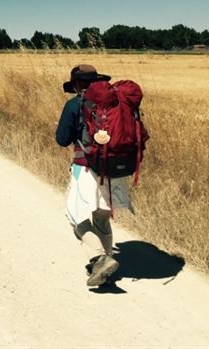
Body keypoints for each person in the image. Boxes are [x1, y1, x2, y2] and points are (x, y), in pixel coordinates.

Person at [56, 64, 132, 287]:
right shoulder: (117, 103)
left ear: (77, 84)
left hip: (86, 168)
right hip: (116, 168)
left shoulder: (74, 104)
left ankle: (99, 257)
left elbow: (62, 139)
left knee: (74, 215)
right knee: (100, 217)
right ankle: (106, 268)